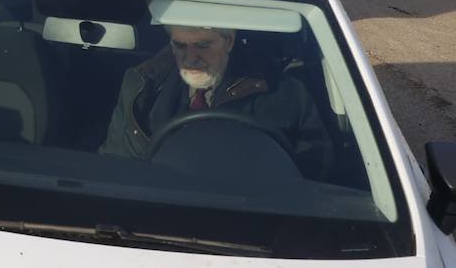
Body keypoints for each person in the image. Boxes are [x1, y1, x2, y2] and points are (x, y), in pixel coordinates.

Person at [101, 24, 332, 179]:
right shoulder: (141, 87)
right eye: (180, 45)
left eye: (203, 45)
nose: (190, 58)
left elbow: (315, 175)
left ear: (229, 41)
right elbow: (115, 165)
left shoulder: (286, 95)